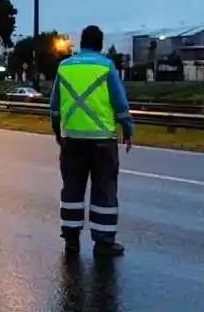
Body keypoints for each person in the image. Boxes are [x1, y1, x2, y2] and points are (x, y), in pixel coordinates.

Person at [50, 25, 133, 257]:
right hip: (102, 141)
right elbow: (120, 104)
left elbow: (54, 108)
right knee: (104, 190)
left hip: (71, 140)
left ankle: (71, 240)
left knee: (72, 189)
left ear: (81, 43)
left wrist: (58, 132)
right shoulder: (106, 66)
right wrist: (128, 129)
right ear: (100, 44)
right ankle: (104, 243)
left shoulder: (64, 67)